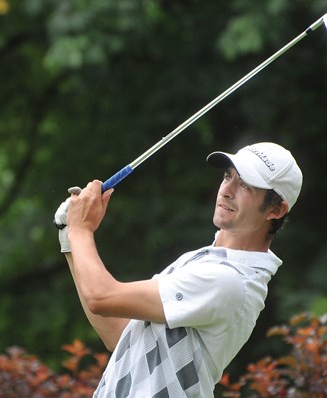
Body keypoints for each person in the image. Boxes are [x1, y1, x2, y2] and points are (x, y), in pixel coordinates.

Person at [53, 142, 303, 397]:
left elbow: (101, 297)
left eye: (245, 185)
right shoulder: (203, 261)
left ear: (276, 209)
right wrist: (70, 239)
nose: (226, 191)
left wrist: (81, 230)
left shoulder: (230, 280)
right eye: (228, 176)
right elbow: (120, 333)